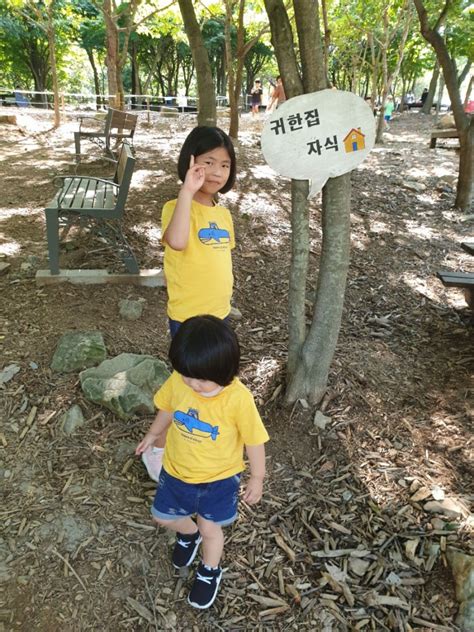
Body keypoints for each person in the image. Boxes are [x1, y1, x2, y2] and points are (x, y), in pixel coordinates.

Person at [136, 315, 269, 609]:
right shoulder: (180, 381)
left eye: (201, 380)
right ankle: (188, 533)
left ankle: (210, 570)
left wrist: (257, 477)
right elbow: (169, 408)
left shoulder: (238, 399)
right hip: (176, 470)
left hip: (218, 479)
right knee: (162, 516)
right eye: (186, 375)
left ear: (224, 371)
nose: (192, 384)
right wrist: (153, 434)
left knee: (212, 530)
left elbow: (254, 439)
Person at [140, 126, 237, 483]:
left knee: (209, 382)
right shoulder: (175, 207)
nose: (215, 172)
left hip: (219, 316)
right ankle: (159, 445)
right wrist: (186, 193)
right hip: (188, 319)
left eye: (224, 165)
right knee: (184, 383)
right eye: (208, 161)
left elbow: (221, 260)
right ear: (190, 161)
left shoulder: (223, 214)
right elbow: (177, 241)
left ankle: (197, 434)